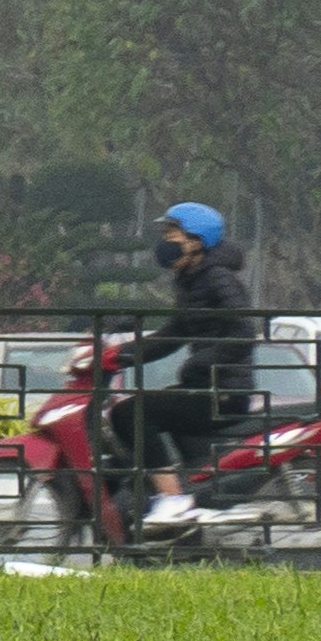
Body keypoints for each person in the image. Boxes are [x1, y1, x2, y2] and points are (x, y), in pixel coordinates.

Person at [128, 202, 256, 529]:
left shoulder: (218, 278)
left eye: (172, 233)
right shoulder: (191, 280)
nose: (165, 241)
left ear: (196, 241)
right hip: (206, 386)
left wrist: (201, 362)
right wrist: (123, 354)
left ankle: (174, 501)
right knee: (126, 411)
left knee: (134, 412)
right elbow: (175, 333)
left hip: (223, 391)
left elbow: (243, 331)